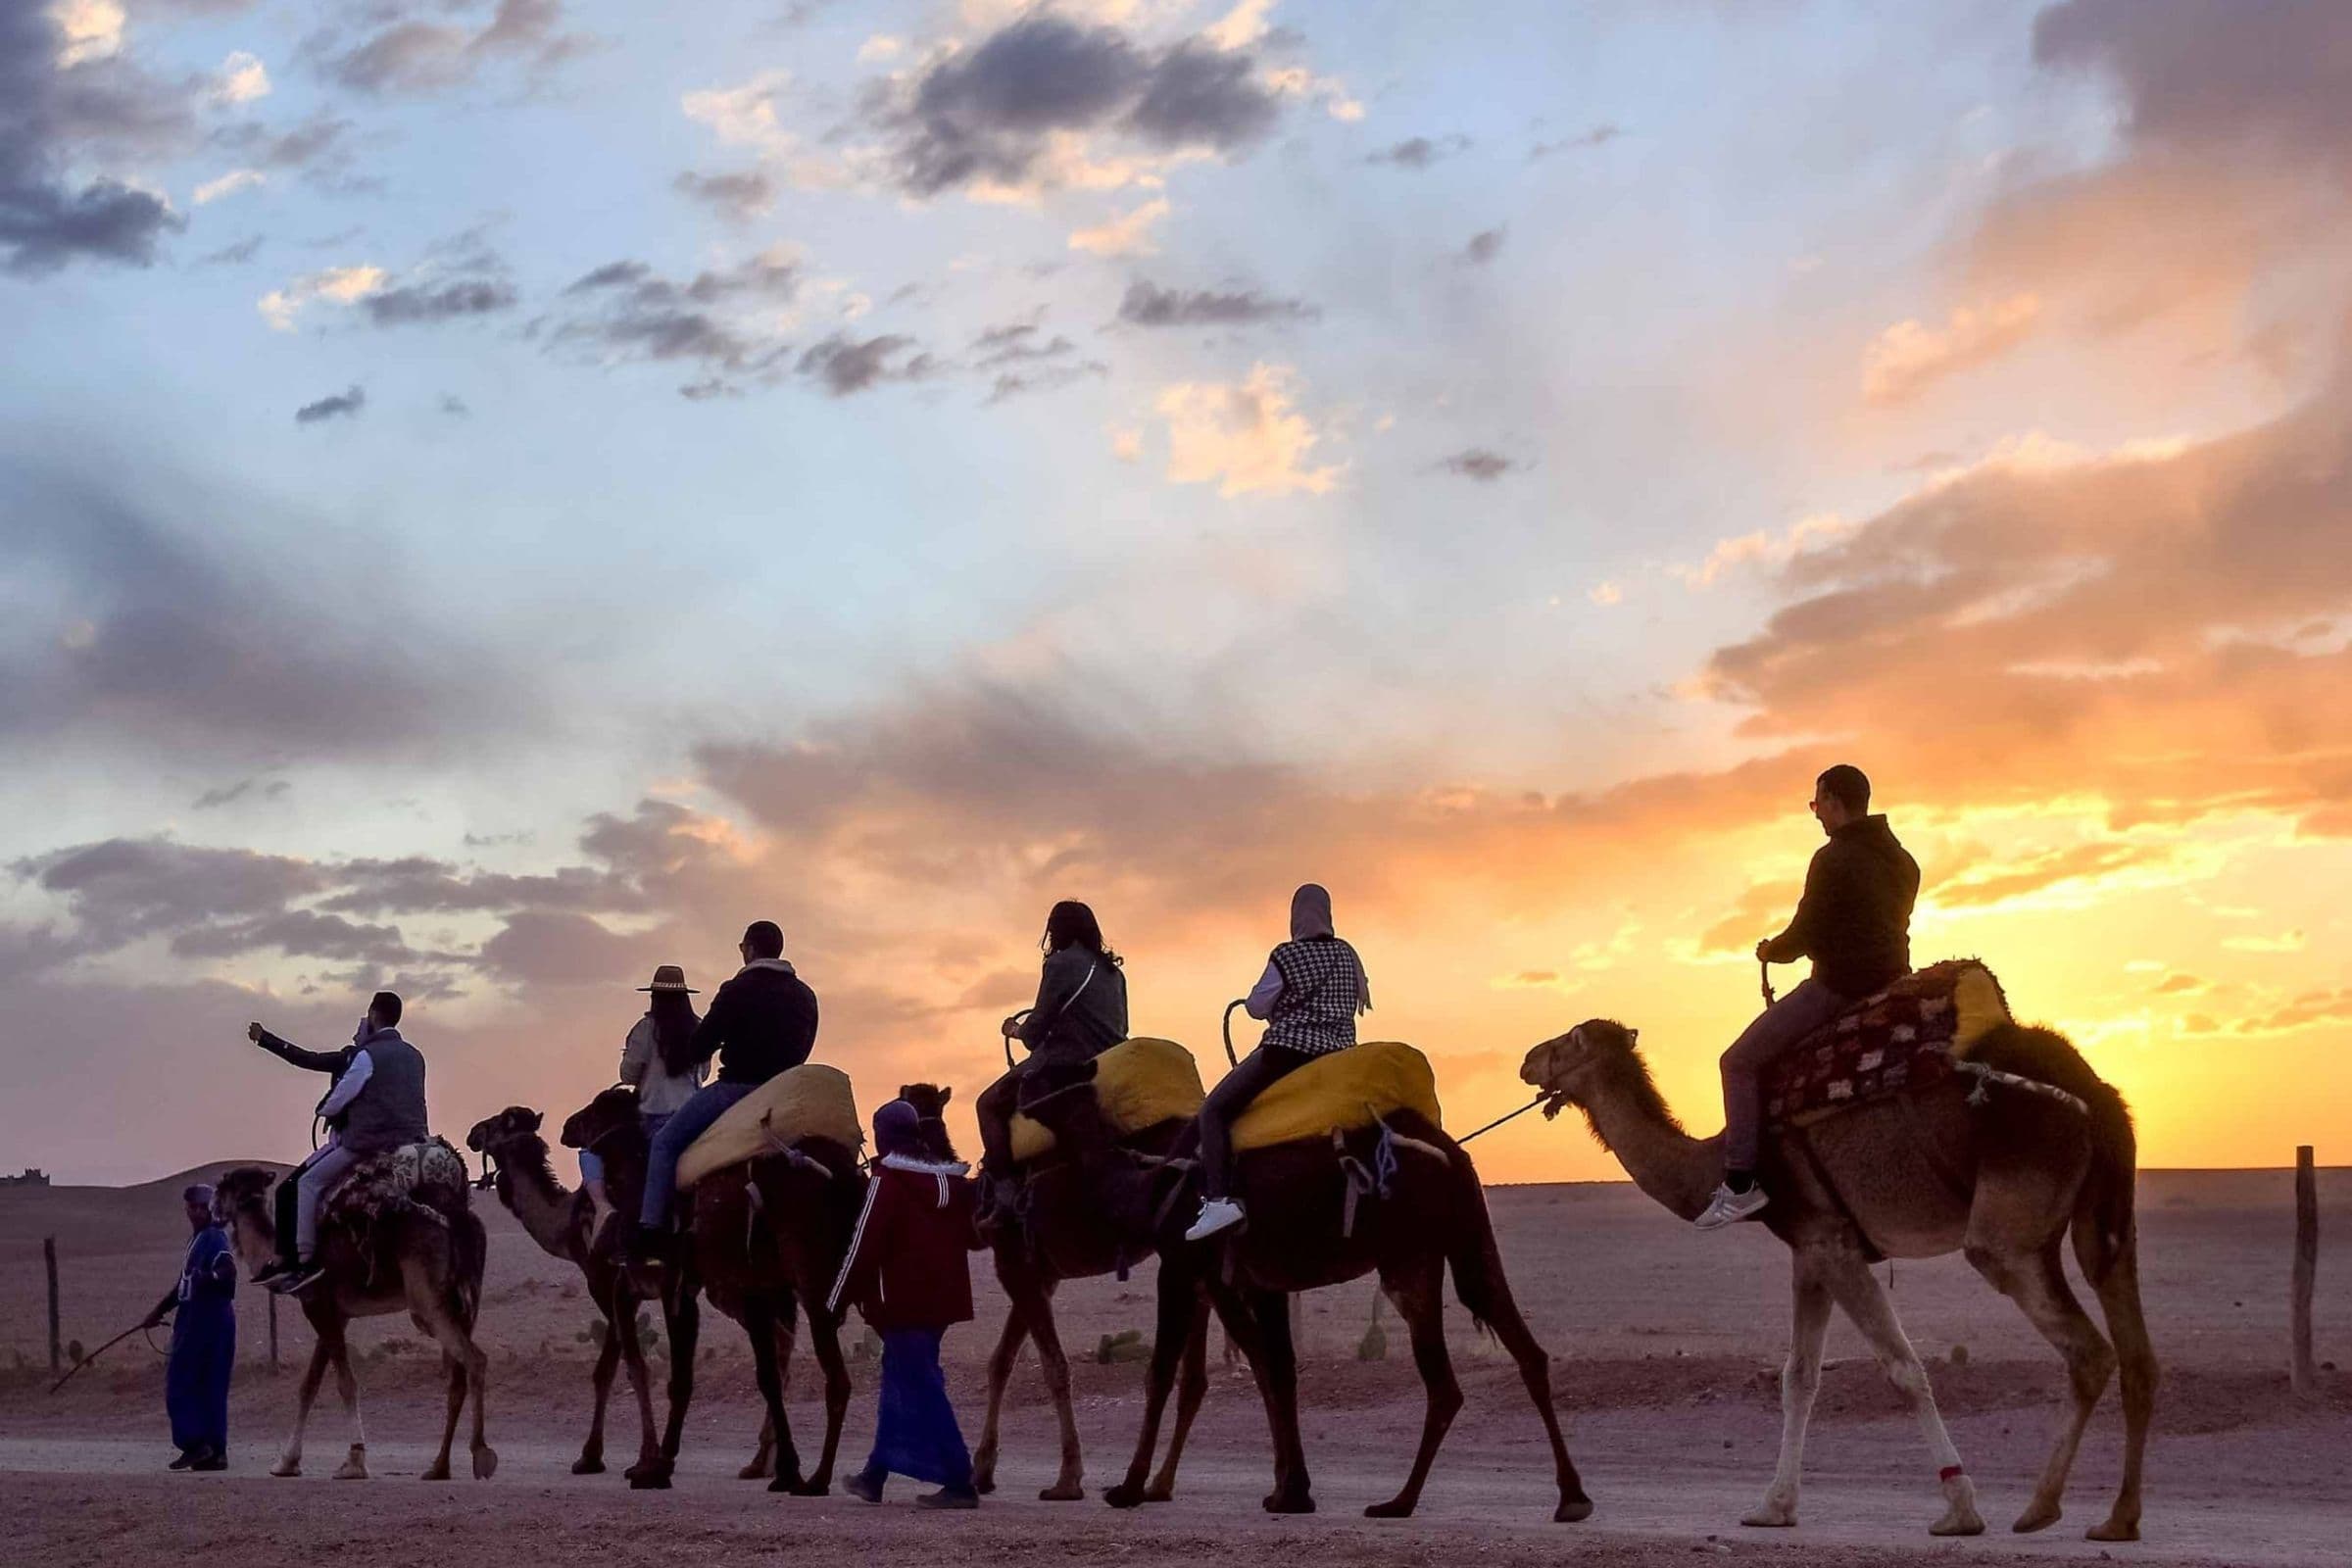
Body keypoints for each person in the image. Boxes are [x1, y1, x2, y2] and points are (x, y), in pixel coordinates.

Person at [1694, 763, 1922, 1231]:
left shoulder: (1832, 858)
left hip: (1841, 987)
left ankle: (1740, 1185)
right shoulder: (1904, 860)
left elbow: (1807, 933)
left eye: (1818, 804)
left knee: (1737, 1062)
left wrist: (1770, 951)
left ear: (1836, 802)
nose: (1817, 815)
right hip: (1894, 981)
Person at [1185, 883, 1371, 1242]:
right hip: (1339, 1058)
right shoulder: (1349, 955)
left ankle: (1219, 1199)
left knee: (1213, 1111)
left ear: (1296, 916)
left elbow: (1256, 1008)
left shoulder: (1288, 955)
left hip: (1288, 1052)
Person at [630, 921, 819, 1264]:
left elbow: (700, 1048)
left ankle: (651, 1233)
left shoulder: (736, 989)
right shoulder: (805, 995)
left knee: (665, 1143)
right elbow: (805, 1047)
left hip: (735, 1090)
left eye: (742, 947)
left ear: (748, 949)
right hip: (785, 1093)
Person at [830, 1099, 981, 1510]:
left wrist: (835, 1301)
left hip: (901, 1305)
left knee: (923, 1386)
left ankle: (960, 1478)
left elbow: (863, 1245)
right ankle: (874, 1475)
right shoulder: (950, 1181)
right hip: (941, 1304)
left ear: (882, 1135)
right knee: (900, 1382)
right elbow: (972, 1237)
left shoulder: (888, 1180)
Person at [246, 991, 430, 1295]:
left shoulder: (364, 1056)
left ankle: (303, 1261)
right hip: (413, 1142)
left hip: (367, 1143)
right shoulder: (414, 1055)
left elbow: (336, 1094)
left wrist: (325, 1109)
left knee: (304, 1185)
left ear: (372, 1015)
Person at [973, 901, 1129, 1215]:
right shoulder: (1115, 973)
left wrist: (1013, 1029)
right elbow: (1123, 1026)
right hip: (1112, 1059)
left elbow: (1034, 1034)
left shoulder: (1059, 964)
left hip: (1067, 1061)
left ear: (1055, 931)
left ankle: (1005, 1192)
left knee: (986, 1104)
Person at [579, 965, 706, 1243]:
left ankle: (623, 1226)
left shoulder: (645, 1029)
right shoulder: (698, 1027)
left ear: (654, 997)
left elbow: (628, 1074)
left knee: (595, 1154)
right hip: (696, 1115)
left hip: (655, 1115)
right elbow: (704, 1073)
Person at [143, 1183, 236, 1471]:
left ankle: (195, 1444)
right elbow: (183, 1285)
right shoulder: (197, 1241)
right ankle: (215, 1453)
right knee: (209, 1386)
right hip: (203, 1317)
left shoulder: (213, 1239)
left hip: (205, 1318)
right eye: (190, 1208)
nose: (194, 1212)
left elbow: (228, 1274)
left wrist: (204, 1278)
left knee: (182, 1384)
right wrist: (158, 1310)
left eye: (200, 1207)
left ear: (210, 1208)